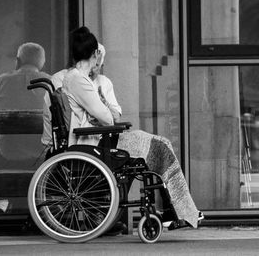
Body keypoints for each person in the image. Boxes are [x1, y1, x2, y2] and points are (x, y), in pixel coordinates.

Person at [62, 27, 203, 229]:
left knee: (162, 144)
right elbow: (108, 118)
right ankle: (182, 212)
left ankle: (177, 211)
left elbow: (107, 116)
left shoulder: (77, 78)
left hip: (99, 138)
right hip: (95, 141)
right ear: (95, 54)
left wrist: (104, 114)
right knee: (160, 147)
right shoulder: (78, 79)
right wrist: (104, 113)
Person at [0, 42, 50, 170]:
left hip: (8, 152)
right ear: (42, 63)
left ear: (18, 61)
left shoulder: (3, 80)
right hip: (42, 153)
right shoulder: (50, 81)